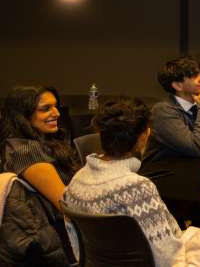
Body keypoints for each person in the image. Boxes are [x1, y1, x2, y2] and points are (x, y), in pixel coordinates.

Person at [63, 98, 182, 267]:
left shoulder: (77, 180)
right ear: (144, 136)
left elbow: (75, 244)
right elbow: (167, 258)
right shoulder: (136, 187)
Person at [0, 86, 79, 265]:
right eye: (46, 109)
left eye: (56, 106)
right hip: (55, 241)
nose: (57, 113)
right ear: (23, 116)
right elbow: (66, 203)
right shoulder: (27, 152)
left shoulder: (37, 142)